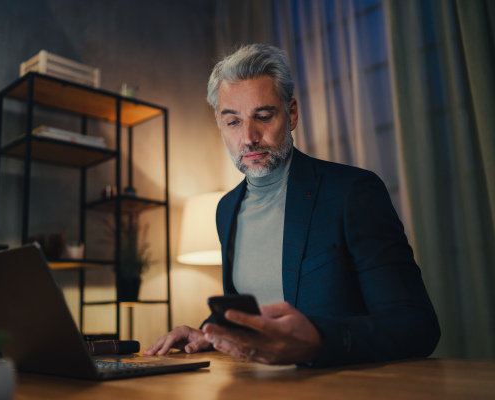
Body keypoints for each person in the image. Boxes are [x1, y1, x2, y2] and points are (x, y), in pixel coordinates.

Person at [144, 44, 440, 367]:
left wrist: (317, 340)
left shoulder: (353, 193)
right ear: (219, 124)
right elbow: (257, 314)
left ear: (292, 113)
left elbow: (418, 325)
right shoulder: (226, 210)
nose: (249, 137)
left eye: (264, 116)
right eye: (233, 122)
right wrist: (210, 333)